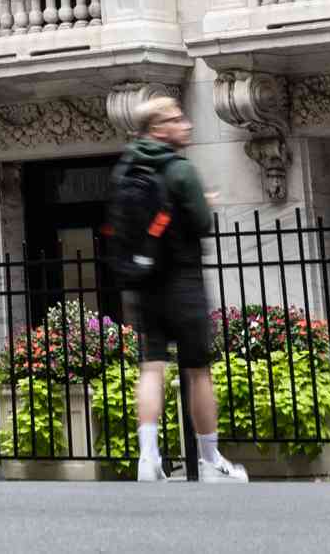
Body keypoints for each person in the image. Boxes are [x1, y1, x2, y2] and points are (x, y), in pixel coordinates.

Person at [109, 96, 242, 483]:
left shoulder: (125, 168)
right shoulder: (180, 170)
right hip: (183, 280)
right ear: (158, 129)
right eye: (176, 119)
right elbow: (202, 224)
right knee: (198, 371)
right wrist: (204, 203)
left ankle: (148, 459)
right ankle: (210, 459)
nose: (186, 124)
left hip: (144, 282)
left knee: (151, 367)